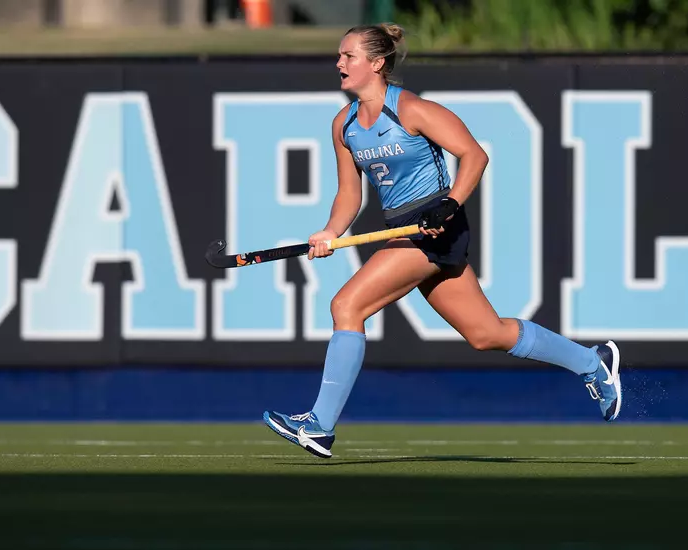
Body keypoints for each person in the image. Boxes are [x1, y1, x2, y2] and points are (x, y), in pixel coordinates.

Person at [262, 23, 622, 459]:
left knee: (347, 306)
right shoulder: (344, 125)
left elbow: (474, 155)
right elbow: (349, 194)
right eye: (340, 56)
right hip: (403, 228)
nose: (339, 63)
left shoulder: (412, 109)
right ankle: (592, 363)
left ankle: (320, 425)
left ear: (376, 63)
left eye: (348, 56)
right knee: (486, 333)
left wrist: (449, 204)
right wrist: (330, 232)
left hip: (436, 225)